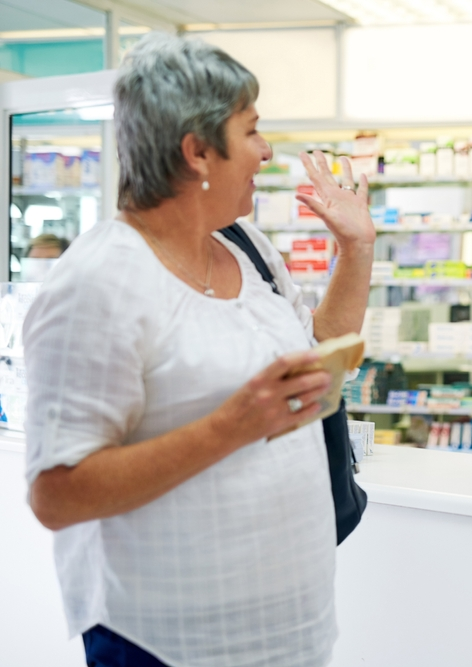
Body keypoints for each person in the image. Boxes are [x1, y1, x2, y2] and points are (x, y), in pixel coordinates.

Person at [23, 34, 374, 667]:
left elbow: (317, 355)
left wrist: (357, 250)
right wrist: (231, 427)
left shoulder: (247, 248)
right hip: (166, 641)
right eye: (252, 131)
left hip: (290, 629)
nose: (267, 152)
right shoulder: (98, 283)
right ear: (198, 151)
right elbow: (58, 493)